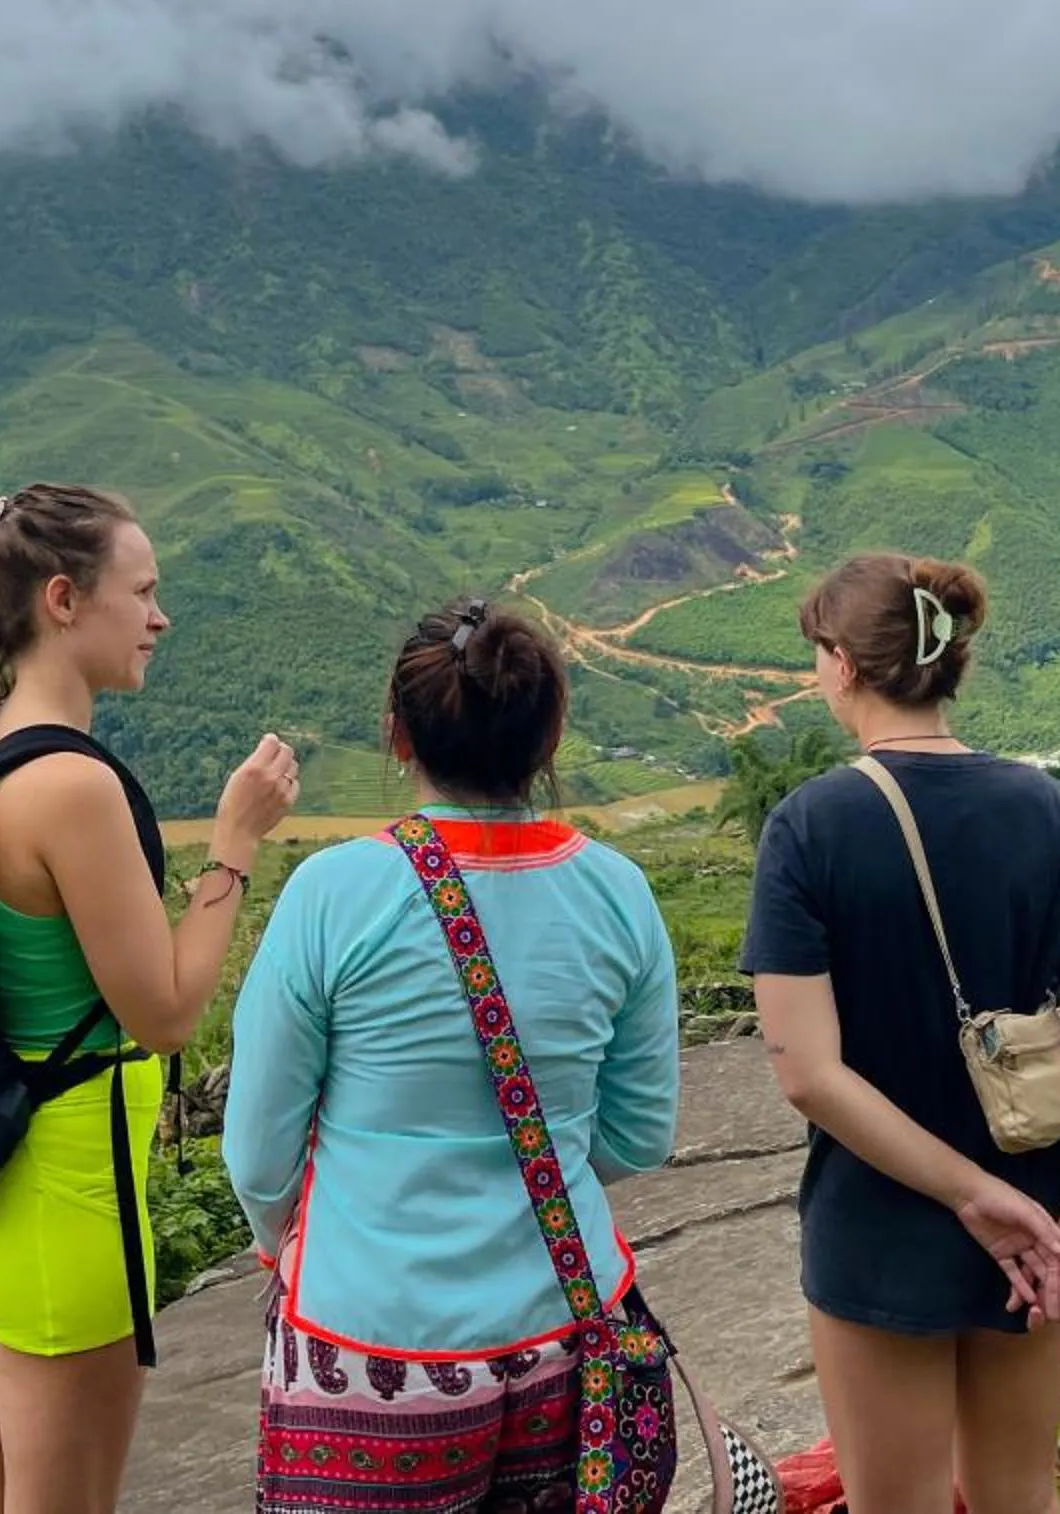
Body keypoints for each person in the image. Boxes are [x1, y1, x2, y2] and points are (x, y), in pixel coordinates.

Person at [224, 600, 681, 1514]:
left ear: (399, 737)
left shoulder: (334, 894)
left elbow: (258, 1151)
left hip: (367, 1347)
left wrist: (303, 1246)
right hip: (568, 1339)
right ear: (547, 738)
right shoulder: (618, 893)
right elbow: (638, 1135)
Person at [0, 485, 301, 1514]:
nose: (160, 617)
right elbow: (165, 1014)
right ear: (63, 601)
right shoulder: (72, 788)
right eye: (144, 591)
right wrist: (235, 846)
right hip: (66, 1177)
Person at [743, 554, 1060, 1514]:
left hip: (878, 1226)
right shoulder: (1049, 810)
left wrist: (969, 1198)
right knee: (1018, 1496)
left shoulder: (810, 825)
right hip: (1039, 1207)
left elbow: (807, 1072)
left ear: (842, 665)